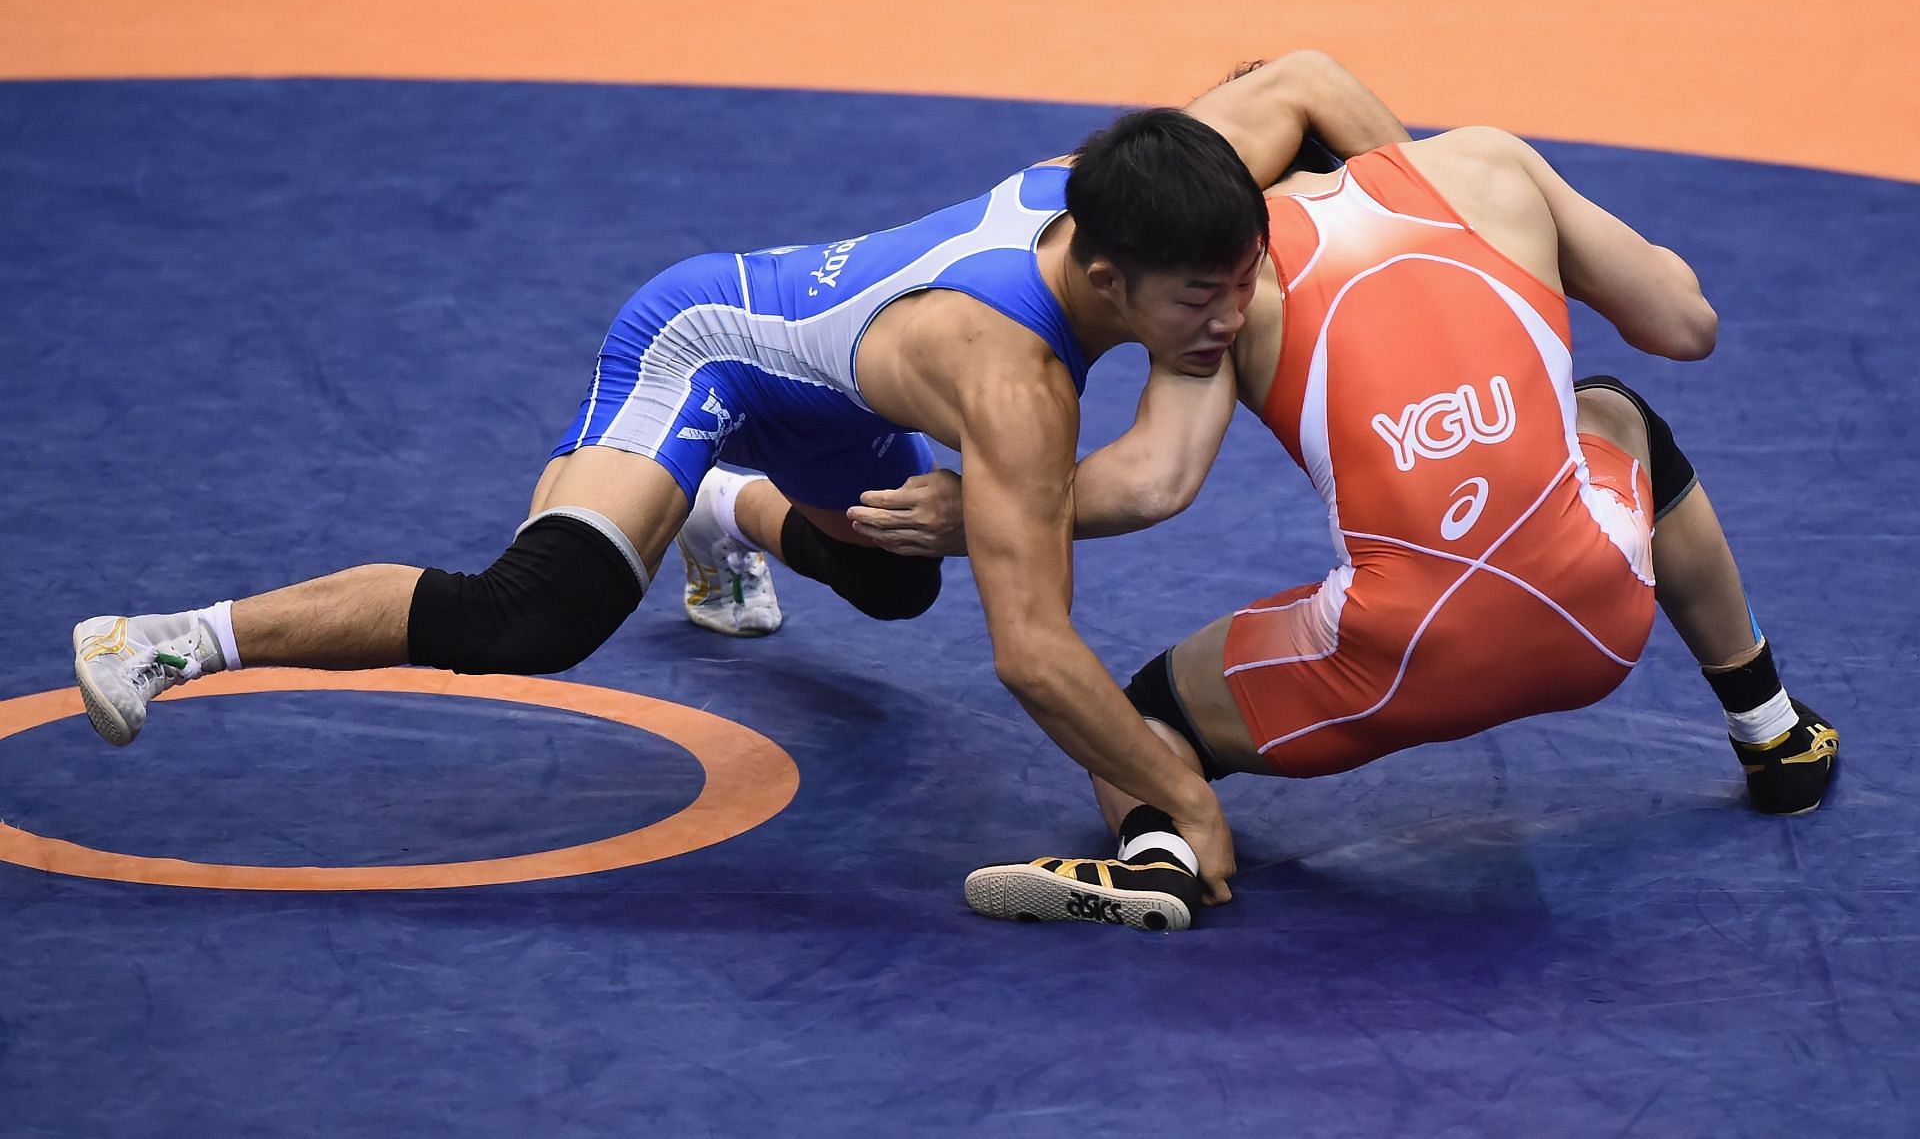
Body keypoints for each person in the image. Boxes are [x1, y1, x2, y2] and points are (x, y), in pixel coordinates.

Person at [69, 53, 1408, 900]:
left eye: (1244, 278)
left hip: (836, 387)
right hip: (706, 342)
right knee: (535, 613)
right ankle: (173, 637)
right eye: (1205, 295)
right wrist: (1179, 797)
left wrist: (1435, 237)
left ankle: (714, 509)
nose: (1239, 315)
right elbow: (1038, 656)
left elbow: (1299, 78)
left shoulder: (1157, 186)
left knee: (891, 587)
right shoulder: (1016, 391)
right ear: (1107, 280)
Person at [837, 124, 1839, 931]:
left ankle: (1162, 854)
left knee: (1138, 717)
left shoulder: (1228, 289)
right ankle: (1773, 731)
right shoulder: (1490, 165)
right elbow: (1687, 326)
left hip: (1396, 658)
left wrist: (980, 515)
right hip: (1596, 621)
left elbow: (1151, 485)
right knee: (1616, 412)